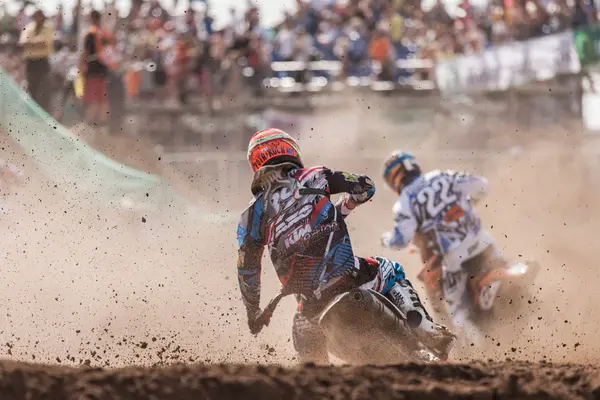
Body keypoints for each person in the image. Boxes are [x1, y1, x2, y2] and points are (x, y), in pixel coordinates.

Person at [236, 129, 456, 363]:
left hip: (310, 306)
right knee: (390, 268)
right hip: (350, 278)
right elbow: (365, 186)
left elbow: (247, 269)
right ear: (289, 149)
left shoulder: (250, 215)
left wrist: (253, 313)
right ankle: (427, 331)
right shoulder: (314, 176)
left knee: (308, 355)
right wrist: (349, 204)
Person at [380, 151, 499, 335]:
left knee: (458, 315)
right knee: (502, 260)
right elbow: (482, 186)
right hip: (484, 242)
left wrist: (386, 239)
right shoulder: (442, 175)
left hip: (456, 260)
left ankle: (476, 353)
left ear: (394, 179)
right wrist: (467, 204)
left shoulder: (405, 201)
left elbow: (401, 240)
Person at [81, 10, 117, 129]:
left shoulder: (90, 33)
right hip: (104, 71)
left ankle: (89, 126)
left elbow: (85, 54)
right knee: (103, 101)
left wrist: (81, 68)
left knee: (93, 100)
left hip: (92, 71)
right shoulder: (105, 34)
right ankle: (103, 127)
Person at [19, 9, 55, 113]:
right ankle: (32, 111)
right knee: (31, 87)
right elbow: (22, 43)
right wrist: (36, 43)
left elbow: (44, 43)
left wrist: (30, 43)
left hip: (42, 61)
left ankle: (44, 111)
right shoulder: (29, 28)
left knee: (44, 86)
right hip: (31, 62)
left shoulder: (48, 27)